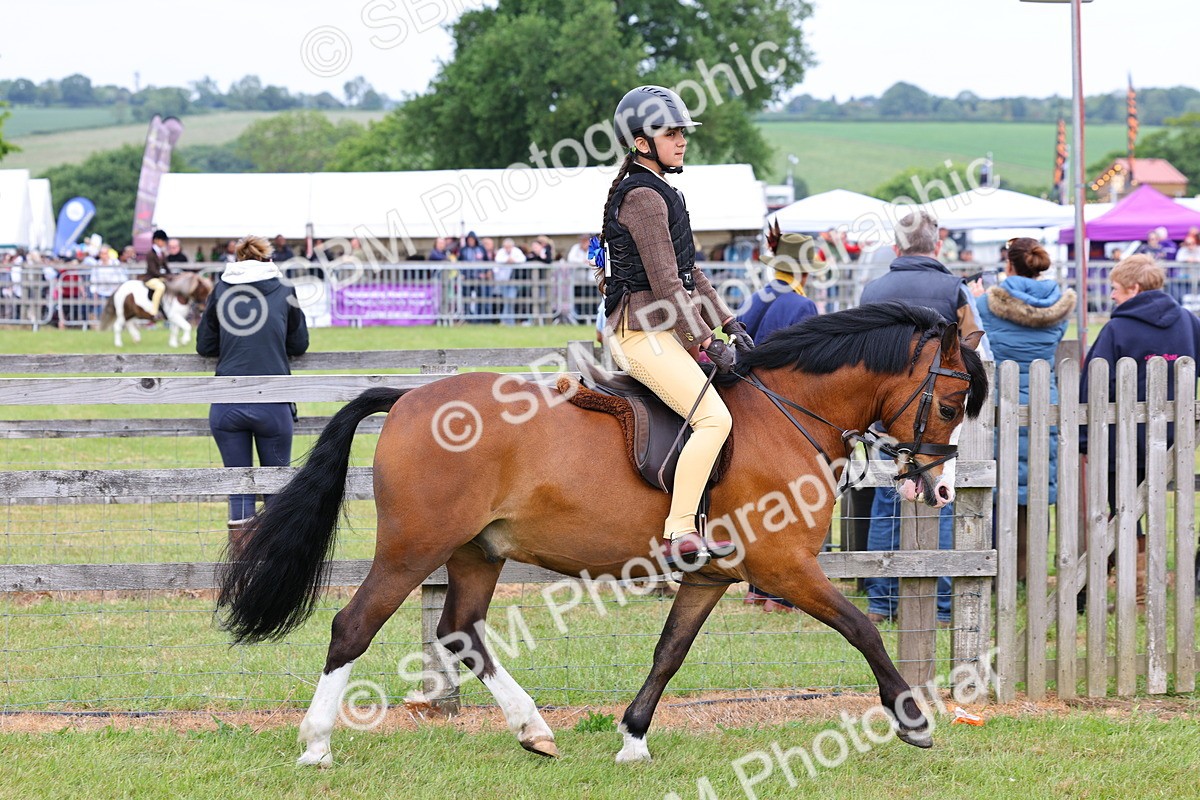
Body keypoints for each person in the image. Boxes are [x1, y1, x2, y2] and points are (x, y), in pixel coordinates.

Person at [599, 85, 752, 567]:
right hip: (641, 335)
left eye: (683, 130)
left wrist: (729, 320)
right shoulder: (643, 196)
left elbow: (691, 274)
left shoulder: (664, 191)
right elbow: (667, 285)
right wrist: (706, 339)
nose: (682, 139)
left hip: (660, 330)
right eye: (671, 132)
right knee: (714, 418)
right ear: (642, 142)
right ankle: (679, 532)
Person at [858, 209, 985, 626]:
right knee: (940, 500)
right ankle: (943, 606)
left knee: (885, 504)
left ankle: (882, 602)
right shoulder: (954, 289)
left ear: (897, 247)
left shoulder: (873, 289)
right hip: (935, 418)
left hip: (885, 417)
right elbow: (976, 352)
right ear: (937, 246)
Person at [1080, 254, 1200, 609]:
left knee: (1124, 512)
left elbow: (1092, 387)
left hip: (1123, 443)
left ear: (1133, 288)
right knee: (1157, 510)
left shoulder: (1116, 330)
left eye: (1115, 289)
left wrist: (1086, 441)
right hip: (1173, 441)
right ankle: (1149, 583)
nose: (1112, 296)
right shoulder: (1189, 321)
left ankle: (1139, 590)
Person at [196, 235, 310, 550]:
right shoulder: (284, 289)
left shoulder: (221, 288)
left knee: (239, 489)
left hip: (228, 402)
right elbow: (299, 344)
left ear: (237, 259)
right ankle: (272, 566)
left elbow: (204, 345)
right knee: (275, 490)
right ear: (266, 258)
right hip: (273, 401)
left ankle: (243, 569)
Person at [974, 238, 1075, 581]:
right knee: (1034, 484)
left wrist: (975, 294)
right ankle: (1027, 569)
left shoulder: (986, 303)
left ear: (1009, 265)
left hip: (1000, 399)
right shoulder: (1059, 306)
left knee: (996, 482)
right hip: (1041, 399)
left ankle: (994, 566)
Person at [739, 224, 820, 610]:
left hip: (748, 405)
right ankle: (779, 593)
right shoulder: (803, 306)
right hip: (784, 411)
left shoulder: (758, 297)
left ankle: (756, 588)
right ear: (804, 272)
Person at [493, 237, 526, 325]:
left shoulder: (517, 251)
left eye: (509, 247)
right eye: (506, 247)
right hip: (503, 280)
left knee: (510, 299)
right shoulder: (501, 252)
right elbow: (497, 260)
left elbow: (523, 259)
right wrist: (507, 260)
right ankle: (507, 320)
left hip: (513, 280)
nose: (507, 249)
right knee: (506, 300)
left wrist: (513, 261)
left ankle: (507, 320)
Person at [140, 229, 172, 317]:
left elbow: (166, 267)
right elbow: (153, 270)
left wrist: (171, 275)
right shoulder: (150, 254)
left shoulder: (162, 253)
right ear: (156, 240)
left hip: (159, 277)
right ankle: (154, 311)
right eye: (162, 240)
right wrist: (165, 276)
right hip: (150, 278)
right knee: (160, 287)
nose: (164, 243)